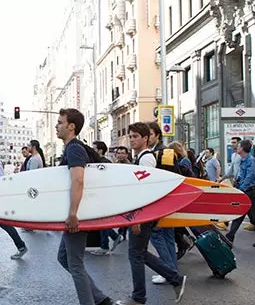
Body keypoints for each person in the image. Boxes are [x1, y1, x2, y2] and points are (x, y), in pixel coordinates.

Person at [116, 122, 186, 305]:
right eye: (130, 136)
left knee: (135, 254)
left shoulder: (146, 159)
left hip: (142, 215)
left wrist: (137, 219)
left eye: (135, 136)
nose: (131, 140)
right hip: (142, 214)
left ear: (145, 138)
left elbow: (145, 191)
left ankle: (139, 297)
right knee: (140, 253)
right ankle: (175, 278)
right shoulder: (141, 157)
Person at [54, 108, 114, 305]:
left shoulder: (74, 149)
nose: (57, 125)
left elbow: (78, 180)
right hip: (79, 211)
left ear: (71, 127)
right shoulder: (74, 147)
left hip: (78, 212)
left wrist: (73, 213)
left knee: (75, 263)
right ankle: (102, 300)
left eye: (60, 122)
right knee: (64, 258)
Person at [224, 139, 255, 248]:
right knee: (240, 213)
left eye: (239, 146)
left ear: (242, 149)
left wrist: (241, 189)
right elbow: (242, 175)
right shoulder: (244, 159)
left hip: (252, 191)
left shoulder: (250, 160)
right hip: (247, 190)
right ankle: (230, 237)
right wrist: (237, 181)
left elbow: (250, 177)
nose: (237, 148)